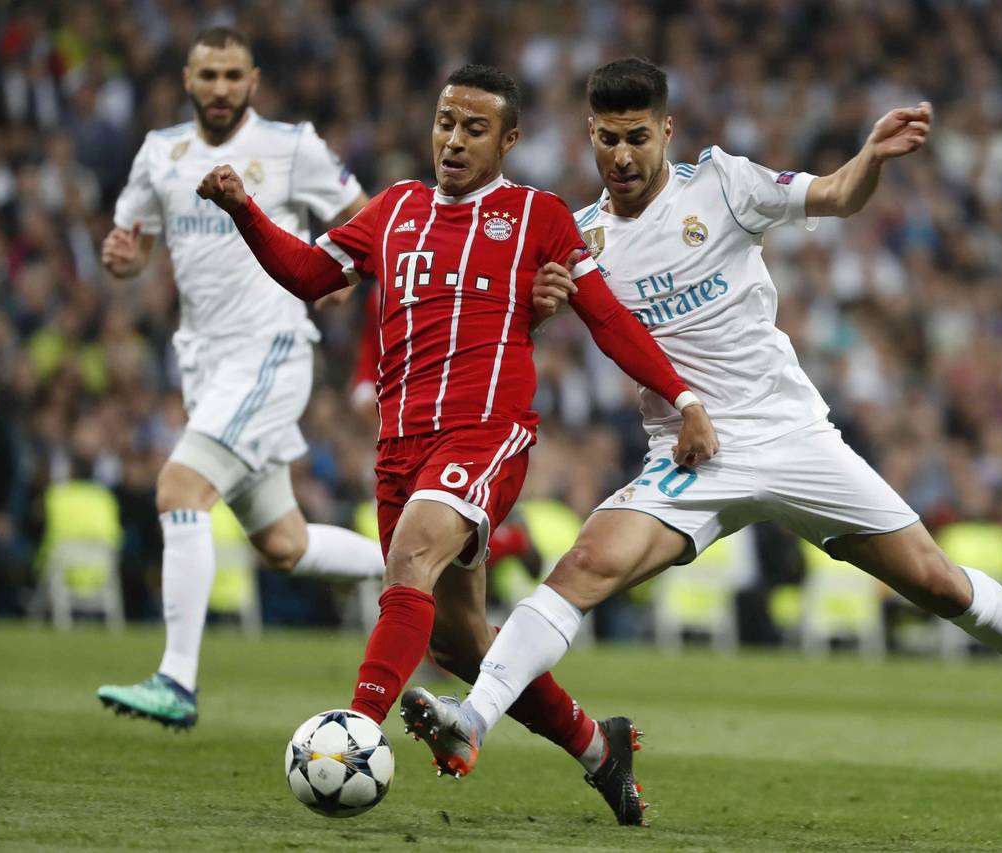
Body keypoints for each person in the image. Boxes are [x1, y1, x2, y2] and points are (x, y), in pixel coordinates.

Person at [405, 57, 1002, 782]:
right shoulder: (579, 237)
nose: (622, 156)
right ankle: (474, 718)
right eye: (607, 138)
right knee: (583, 568)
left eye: (637, 137)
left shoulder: (725, 185)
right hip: (688, 455)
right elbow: (520, 327)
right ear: (589, 135)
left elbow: (838, 195)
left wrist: (870, 157)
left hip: (791, 435)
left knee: (937, 583)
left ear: (667, 130)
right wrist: (539, 308)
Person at [196, 64, 718, 825]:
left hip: (486, 433)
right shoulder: (394, 209)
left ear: (508, 140)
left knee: (411, 557)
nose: (454, 140)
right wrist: (244, 211)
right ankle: (599, 749)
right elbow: (311, 275)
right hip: (399, 447)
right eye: (446, 123)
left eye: (475, 129)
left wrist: (684, 398)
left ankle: (355, 730)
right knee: (462, 645)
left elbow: (608, 318)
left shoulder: (538, 216)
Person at [96, 27, 386, 730]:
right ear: (188, 80)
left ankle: (177, 679)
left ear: (253, 81)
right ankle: (417, 564)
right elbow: (135, 245)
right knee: (284, 544)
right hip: (205, 364)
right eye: (209, 76)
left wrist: (339, 269)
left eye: (233, 76)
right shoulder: (160, 153)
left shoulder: (291, 146)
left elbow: (371, 220)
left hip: (270, 350)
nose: (221, 88)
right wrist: (125, 260)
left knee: (180, 487)